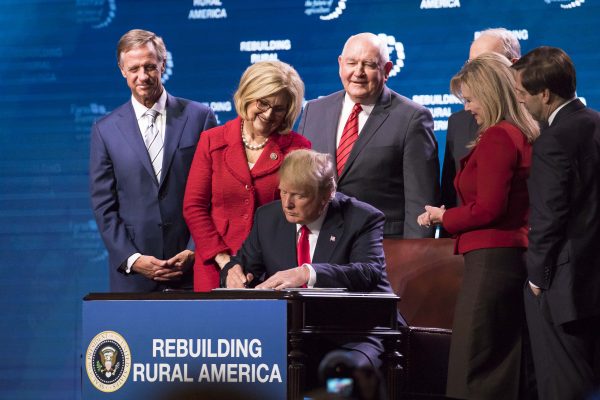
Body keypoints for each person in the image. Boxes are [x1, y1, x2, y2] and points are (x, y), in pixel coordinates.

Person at [418, 53, 539, 399]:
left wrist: (444, 218)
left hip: (492, 263)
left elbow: (489, 208)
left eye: (471, 99)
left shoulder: (500, 136)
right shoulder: (518, 133)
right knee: (494, 363)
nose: (468, 108)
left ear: (491, 94)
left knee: (474, 364)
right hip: (504, 260)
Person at [221, 149, 397, 378]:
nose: (287, 203)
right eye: (283, 192)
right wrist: (232, 273)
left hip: (355, 331)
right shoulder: (268, 218)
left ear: (327, 194)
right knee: (235, 367)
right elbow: (242, 265)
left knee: (341, 378)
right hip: (291, 333)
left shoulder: (362, 218)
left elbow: (367, 272)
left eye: (299, 195)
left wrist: (307, 273)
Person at [89, 29, 217, 292]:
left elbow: (216, 193)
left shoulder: (200, 118)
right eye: (134, 69)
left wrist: (195, 250)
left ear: (163, 64)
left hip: (193, 272)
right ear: (122, 71)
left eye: (149, 66)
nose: (143, 76)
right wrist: (133, 259)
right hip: (133, 280)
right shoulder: (105, 130)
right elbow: (104, 206)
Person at [513, 46, 600, 400]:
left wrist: (536, 278)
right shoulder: (596, 123)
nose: (520, 100)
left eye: (522, 93)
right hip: (592, 286)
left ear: (545, 94)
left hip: (564, 289)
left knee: (562, 385)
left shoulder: (553, 140)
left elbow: (548, 217)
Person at [183, 61, 311, 292]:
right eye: (263, 103)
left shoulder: (298, 148)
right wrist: (225, 262)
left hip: (274, 273)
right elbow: (194, 207)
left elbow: (302, 213)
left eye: (279, 109)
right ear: (247, 96)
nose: (269, 114)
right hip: (215, 266)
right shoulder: (212, 140)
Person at [298, 32, 439, 238]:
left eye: (369, 64)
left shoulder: (412, 118)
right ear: (340, 64)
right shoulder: (314, 111)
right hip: (320, 244)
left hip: (383, 246)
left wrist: (415, 252)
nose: (358, 72)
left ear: (387, 70)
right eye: (351, 63)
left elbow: (421, 201)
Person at [441, 28, 521, 211]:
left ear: (513, 64)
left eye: (484, 64)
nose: (472, 72)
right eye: (471, 64)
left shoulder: (537, 120)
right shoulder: (458, 123)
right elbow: (450, 195)